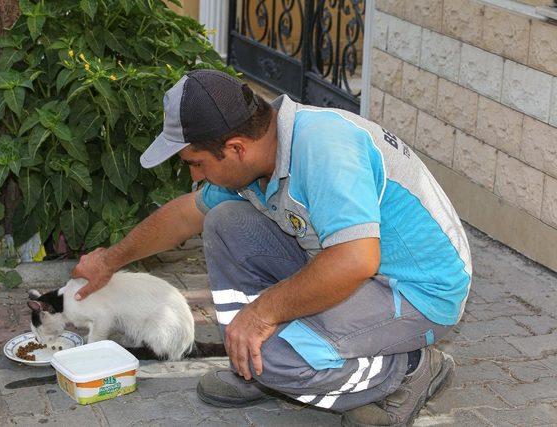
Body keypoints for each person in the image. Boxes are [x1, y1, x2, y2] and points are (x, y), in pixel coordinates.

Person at [72, 69, 472, 426]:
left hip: (416, 291)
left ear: (235, 148)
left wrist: (262, 314)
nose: (194, 176)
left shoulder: (324, 148)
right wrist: (109, 261)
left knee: (280, 360)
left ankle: (408, 369)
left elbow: (355, 259)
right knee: (225, 221)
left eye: (195, 163)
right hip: (352, 266)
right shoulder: (261, 155)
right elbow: (183, 216)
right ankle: (250, 364)